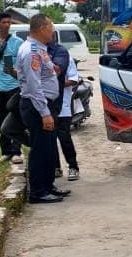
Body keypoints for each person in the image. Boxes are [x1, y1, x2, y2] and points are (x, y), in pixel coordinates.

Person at [16, 14, 70, 204]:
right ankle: (38, 191)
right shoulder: (31, 51)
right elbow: (33, 85)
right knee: (40, 148)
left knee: (48, 148)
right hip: (37, 106)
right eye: (51, 27)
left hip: (45, 104)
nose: (53, 30)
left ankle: (48, 186)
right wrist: (45, 113)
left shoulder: (40, 49)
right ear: (41, 29)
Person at [0, 12, 24, 164]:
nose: (7, 25)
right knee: (0, 119)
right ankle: (5, 151)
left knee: (15, 118)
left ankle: (16, 150)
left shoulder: (17, 42)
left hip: (13, 86)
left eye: (9, 22)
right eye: (4, 22)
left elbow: (19, 64)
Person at [46, 39, 70, 178]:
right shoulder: (29, 50)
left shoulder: (59, 51)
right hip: (36, 102)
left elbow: (57, 71)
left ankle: (70, 166)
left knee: (62, 137)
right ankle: (51, 173)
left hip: (55, 103)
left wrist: (45, 60)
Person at [55, 53, 81, 181]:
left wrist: (55, 83)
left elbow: (73, 79)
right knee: (49, 139)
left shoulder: (65, 57)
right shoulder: (40, 55)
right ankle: (55, 167)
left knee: (64, 137)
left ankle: (73, 166)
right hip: (46, 106)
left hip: (63, 105)